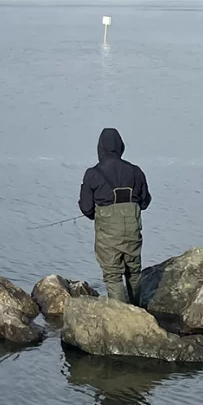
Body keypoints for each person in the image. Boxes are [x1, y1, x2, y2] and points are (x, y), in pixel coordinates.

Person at [78, 128, 151, 304]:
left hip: (108, 231)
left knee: (113, 275)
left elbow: (86, 207)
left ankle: (121, 314)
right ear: (120, 146)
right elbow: (145, 201)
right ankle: (138, 308)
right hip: (132, 228)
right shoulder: (136, 171)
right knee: (134, 271)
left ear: (100, 147)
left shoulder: (93, 174)